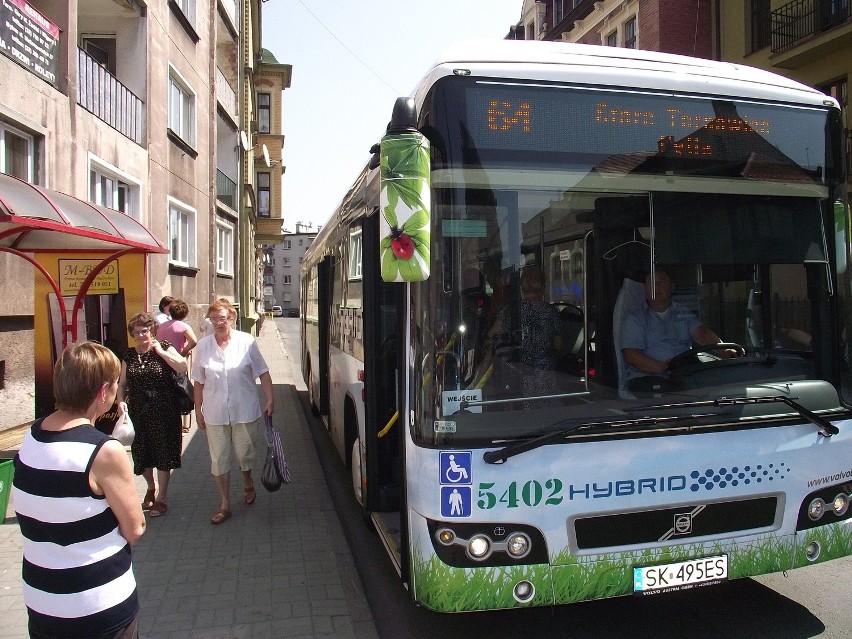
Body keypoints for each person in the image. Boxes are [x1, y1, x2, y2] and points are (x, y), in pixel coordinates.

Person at [11, 341, 145, 638]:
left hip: (43, 602)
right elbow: (135, 528)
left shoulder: (32, 436)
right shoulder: (103, 451)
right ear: (103, 392)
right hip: (97, 606)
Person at [192, 299, 274, 525]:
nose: (219, 322)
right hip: (215, 411)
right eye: (214, 318)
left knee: (245, 453)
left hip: (244, 409)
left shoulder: (246, 342)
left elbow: (263, 372)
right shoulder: (203, 346)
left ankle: (247, 480)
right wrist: (197, 408)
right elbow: (198, 381)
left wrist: (270, 399)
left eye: (223, 318)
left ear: (232, 319)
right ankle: (225, 503)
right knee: (218, 458)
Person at [117, 312, 187, 517]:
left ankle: (162, 497)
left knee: (163, 451)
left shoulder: (164, 346)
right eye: (136, 332)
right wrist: (120, 400)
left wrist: (161, 352)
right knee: (142, 452)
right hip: (139, 409)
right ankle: (150, 486)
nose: (140, 335)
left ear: (152, 331)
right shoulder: (128, 355)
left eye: (144, 331)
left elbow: (182, 366)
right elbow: (122, 384)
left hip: (164, 408)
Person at [620, 268, 737, 392]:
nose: (656, 286)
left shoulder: (682, 312)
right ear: (645, 288)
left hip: (683, 373)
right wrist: (664, 367)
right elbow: (632, 356)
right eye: (651, 282)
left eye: (662, 282)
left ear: (672, 287)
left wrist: (724, 350)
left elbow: (702, 334)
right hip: (650, 378)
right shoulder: (635, 318)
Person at [488, 266, 562, 398]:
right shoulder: (551, 312)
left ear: (521, 288)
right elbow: (558, 345)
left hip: (517, 378)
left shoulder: (510, 311)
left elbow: (491, 336)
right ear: (543, 287)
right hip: (545, 379)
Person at [157, 299, 199, 433]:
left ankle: (170, 418)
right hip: (179, 361)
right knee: (183, 387)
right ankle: (185, 424)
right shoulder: (183, 326)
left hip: (164, 360)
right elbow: (194, 341)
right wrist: (184, 352)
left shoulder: (162, 326)